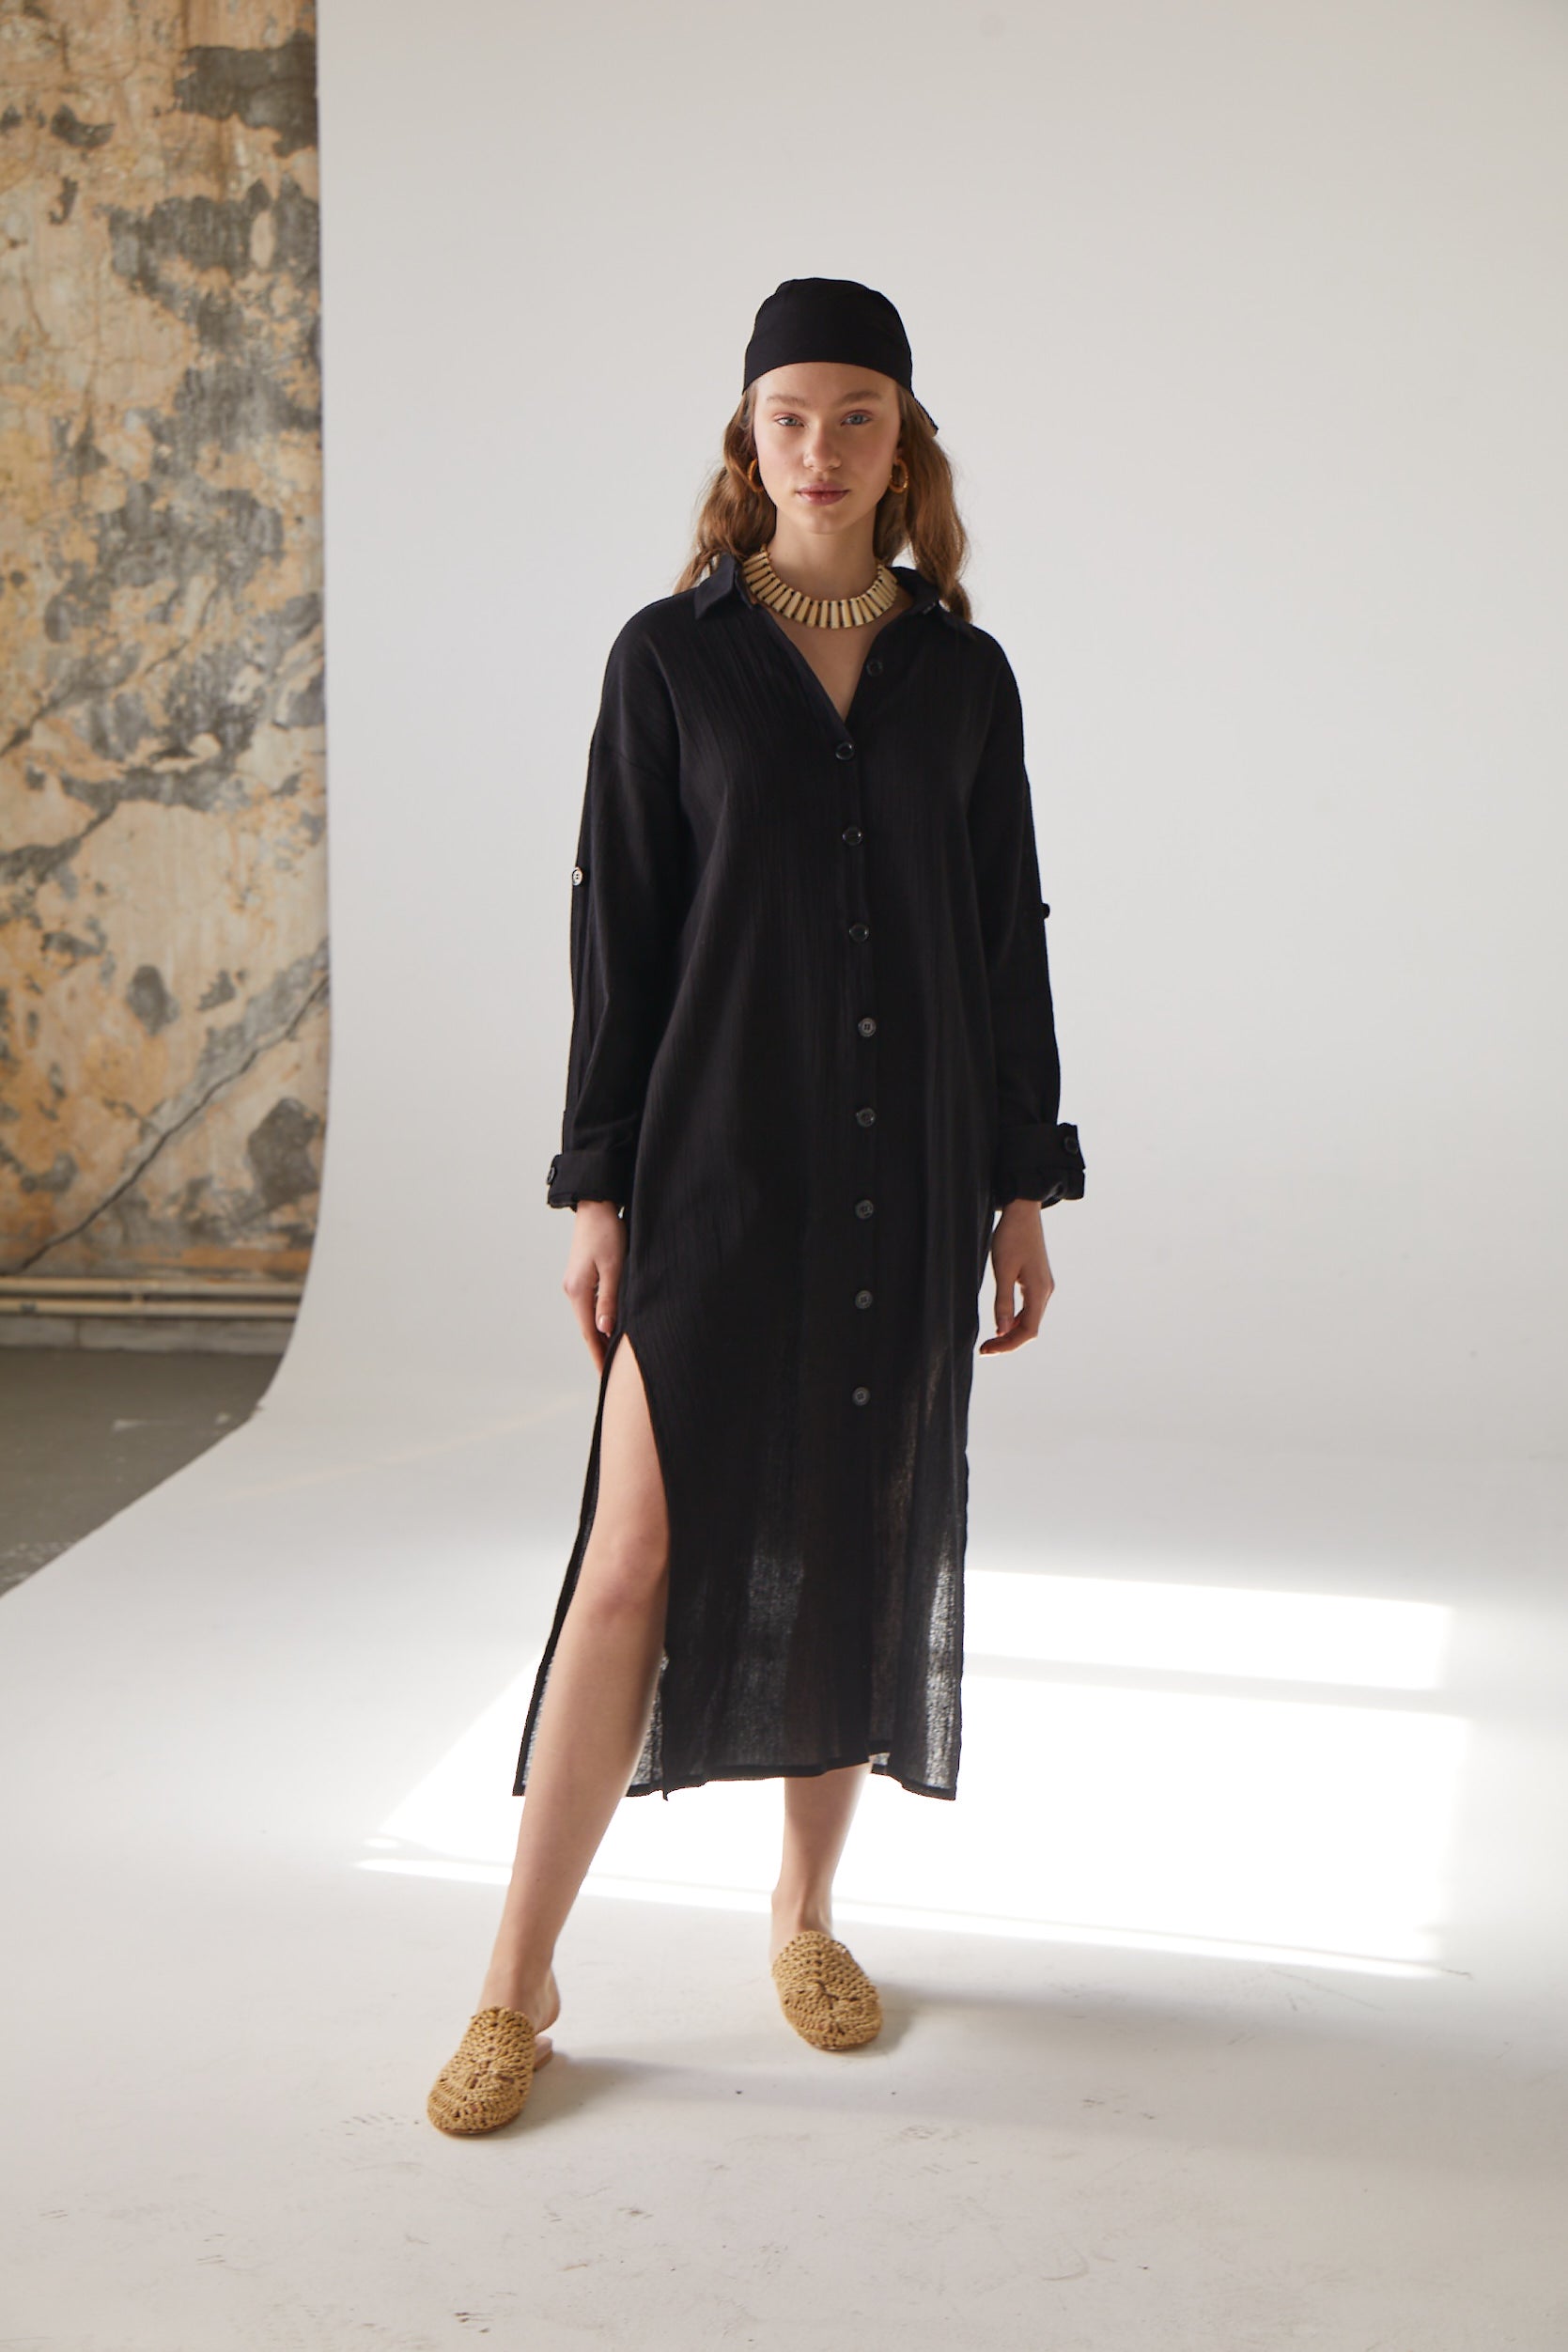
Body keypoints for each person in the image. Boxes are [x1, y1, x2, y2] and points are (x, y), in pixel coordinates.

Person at [427, 277, 1085, 2135]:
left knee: (856, 1540)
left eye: (855, 413)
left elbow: (1004, 934)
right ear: (748, 438)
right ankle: (516, 1980)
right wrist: (597, 1188)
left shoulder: (964, 675)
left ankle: (804, 1916)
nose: (821, 446)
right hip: (717, 1159)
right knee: (634, 1556)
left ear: (902, 442)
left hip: (910, 1166)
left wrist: (1023, 1184)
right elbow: (618, 929)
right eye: (789, 415)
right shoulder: (670, 659)